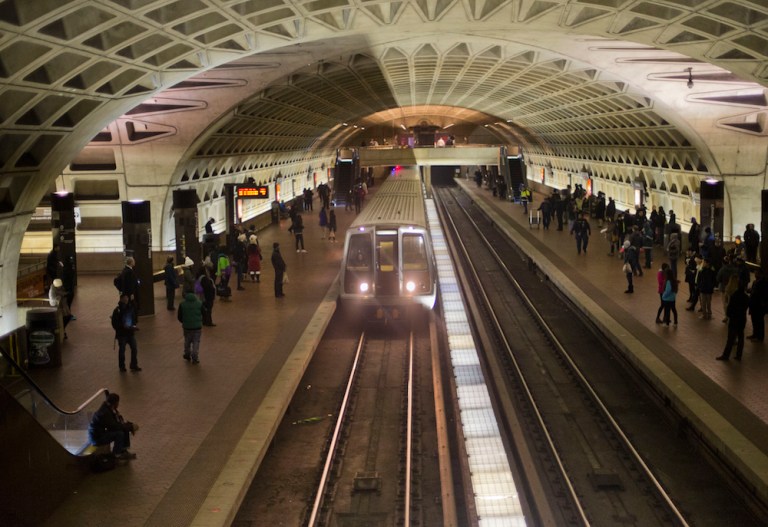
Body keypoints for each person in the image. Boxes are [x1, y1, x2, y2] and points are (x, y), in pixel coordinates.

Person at [88, 392, 137, 460]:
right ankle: (117, 455)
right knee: (119, 434)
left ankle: (123, 450)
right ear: (115, 403)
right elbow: (113, 426)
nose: (118, 404)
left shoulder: (109, 407)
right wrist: (128, 427)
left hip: (101, 432)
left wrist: (126, 426)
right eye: (118, 402)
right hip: (97, 438)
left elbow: (117, 422)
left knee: (123, 429)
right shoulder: (104, 413)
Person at [717, 282, 750, 361]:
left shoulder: (734, 296)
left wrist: (729, 315)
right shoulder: (746, 297)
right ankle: (739, 355)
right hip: (742, 319)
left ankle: (726, 355)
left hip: (734, 319)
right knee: (741, 338)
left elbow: (730, 307)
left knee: (730, 338)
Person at [111, 294, 140, 372]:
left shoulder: (130, 308)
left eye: (127, 298)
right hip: (122, 334)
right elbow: (114, 323)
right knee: (122, 350)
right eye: (124, 298)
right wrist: (122, 327)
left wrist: (133, 326)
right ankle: (122, 366)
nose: (126, 300)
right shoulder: (117, 310)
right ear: (121, 299)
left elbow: (134, 317)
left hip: (130, 333)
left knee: (134, 348)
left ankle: (133, 364)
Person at [178, 291, 203, 364]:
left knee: (187, 341)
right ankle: (195, 356)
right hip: (197, 327)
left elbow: (179, 316)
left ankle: (187, 354)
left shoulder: (182, 304)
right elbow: (204, 313)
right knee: (196, 341)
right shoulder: (199, 303)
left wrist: (184, 322)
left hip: (187, 327)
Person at [747, 269, 768, 341]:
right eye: (755, 273)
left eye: (757, 273)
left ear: (761, 274)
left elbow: (763, 294)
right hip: (753, 304)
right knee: (754, 320)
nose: (755, 275)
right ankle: (755, 334)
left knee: (759, 321)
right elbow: (753, 291)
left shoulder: (764, 283)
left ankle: (760, 337)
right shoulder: (755, 282)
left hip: (759, 305)